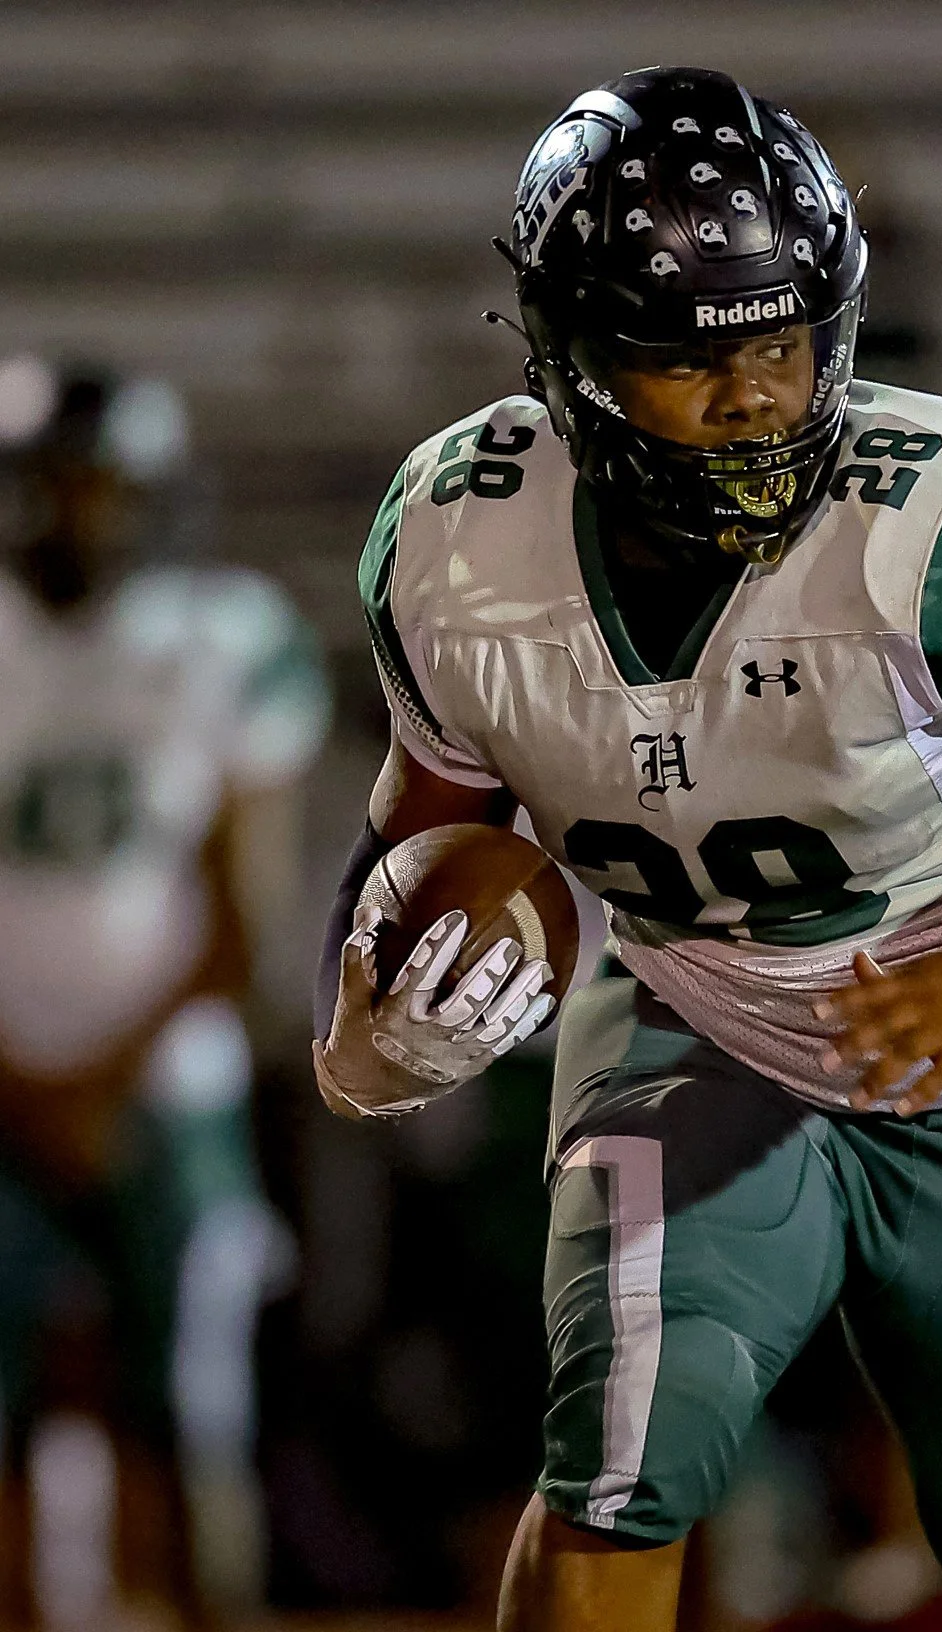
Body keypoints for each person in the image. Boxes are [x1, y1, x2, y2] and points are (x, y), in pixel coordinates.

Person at [307, 68, 942, 1632]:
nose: (755, 396)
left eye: (781, 342)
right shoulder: (457, 541)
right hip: (700, 1023)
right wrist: (384, 1028)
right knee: (620, 1462)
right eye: (690, 357)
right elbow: (414, 863)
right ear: (571, 360)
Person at [0, 357, 327, 1621]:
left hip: (160, 1084)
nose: (83, 518)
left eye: (106, 489)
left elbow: (245, 916)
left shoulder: (219, 639)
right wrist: (25, 1085)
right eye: (60, 487)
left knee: (195, 1406)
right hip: (3, 1084)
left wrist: (93, 1081)